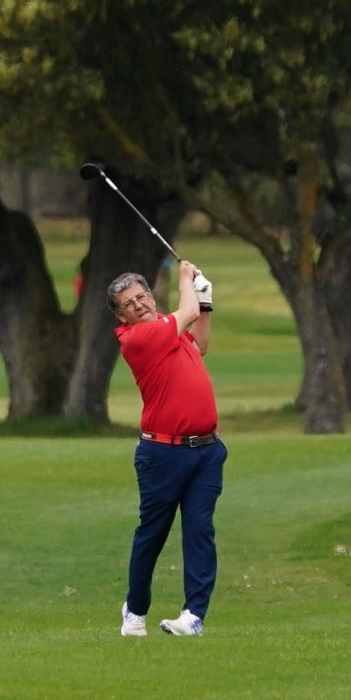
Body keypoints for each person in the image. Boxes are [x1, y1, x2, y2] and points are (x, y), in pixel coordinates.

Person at [110, 259, 226, 638]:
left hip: (206, 451)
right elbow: (186, 310)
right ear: (122, 316)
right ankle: (136, 611)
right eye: (129, 303)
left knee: (199, 531)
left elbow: (201, 341)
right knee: (153, 533)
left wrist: (204, 301)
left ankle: (194, 615)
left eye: (142, 296)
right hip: (163, 455)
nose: (139, 304)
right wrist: (187, 278)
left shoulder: (168, 329)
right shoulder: (139, 339)